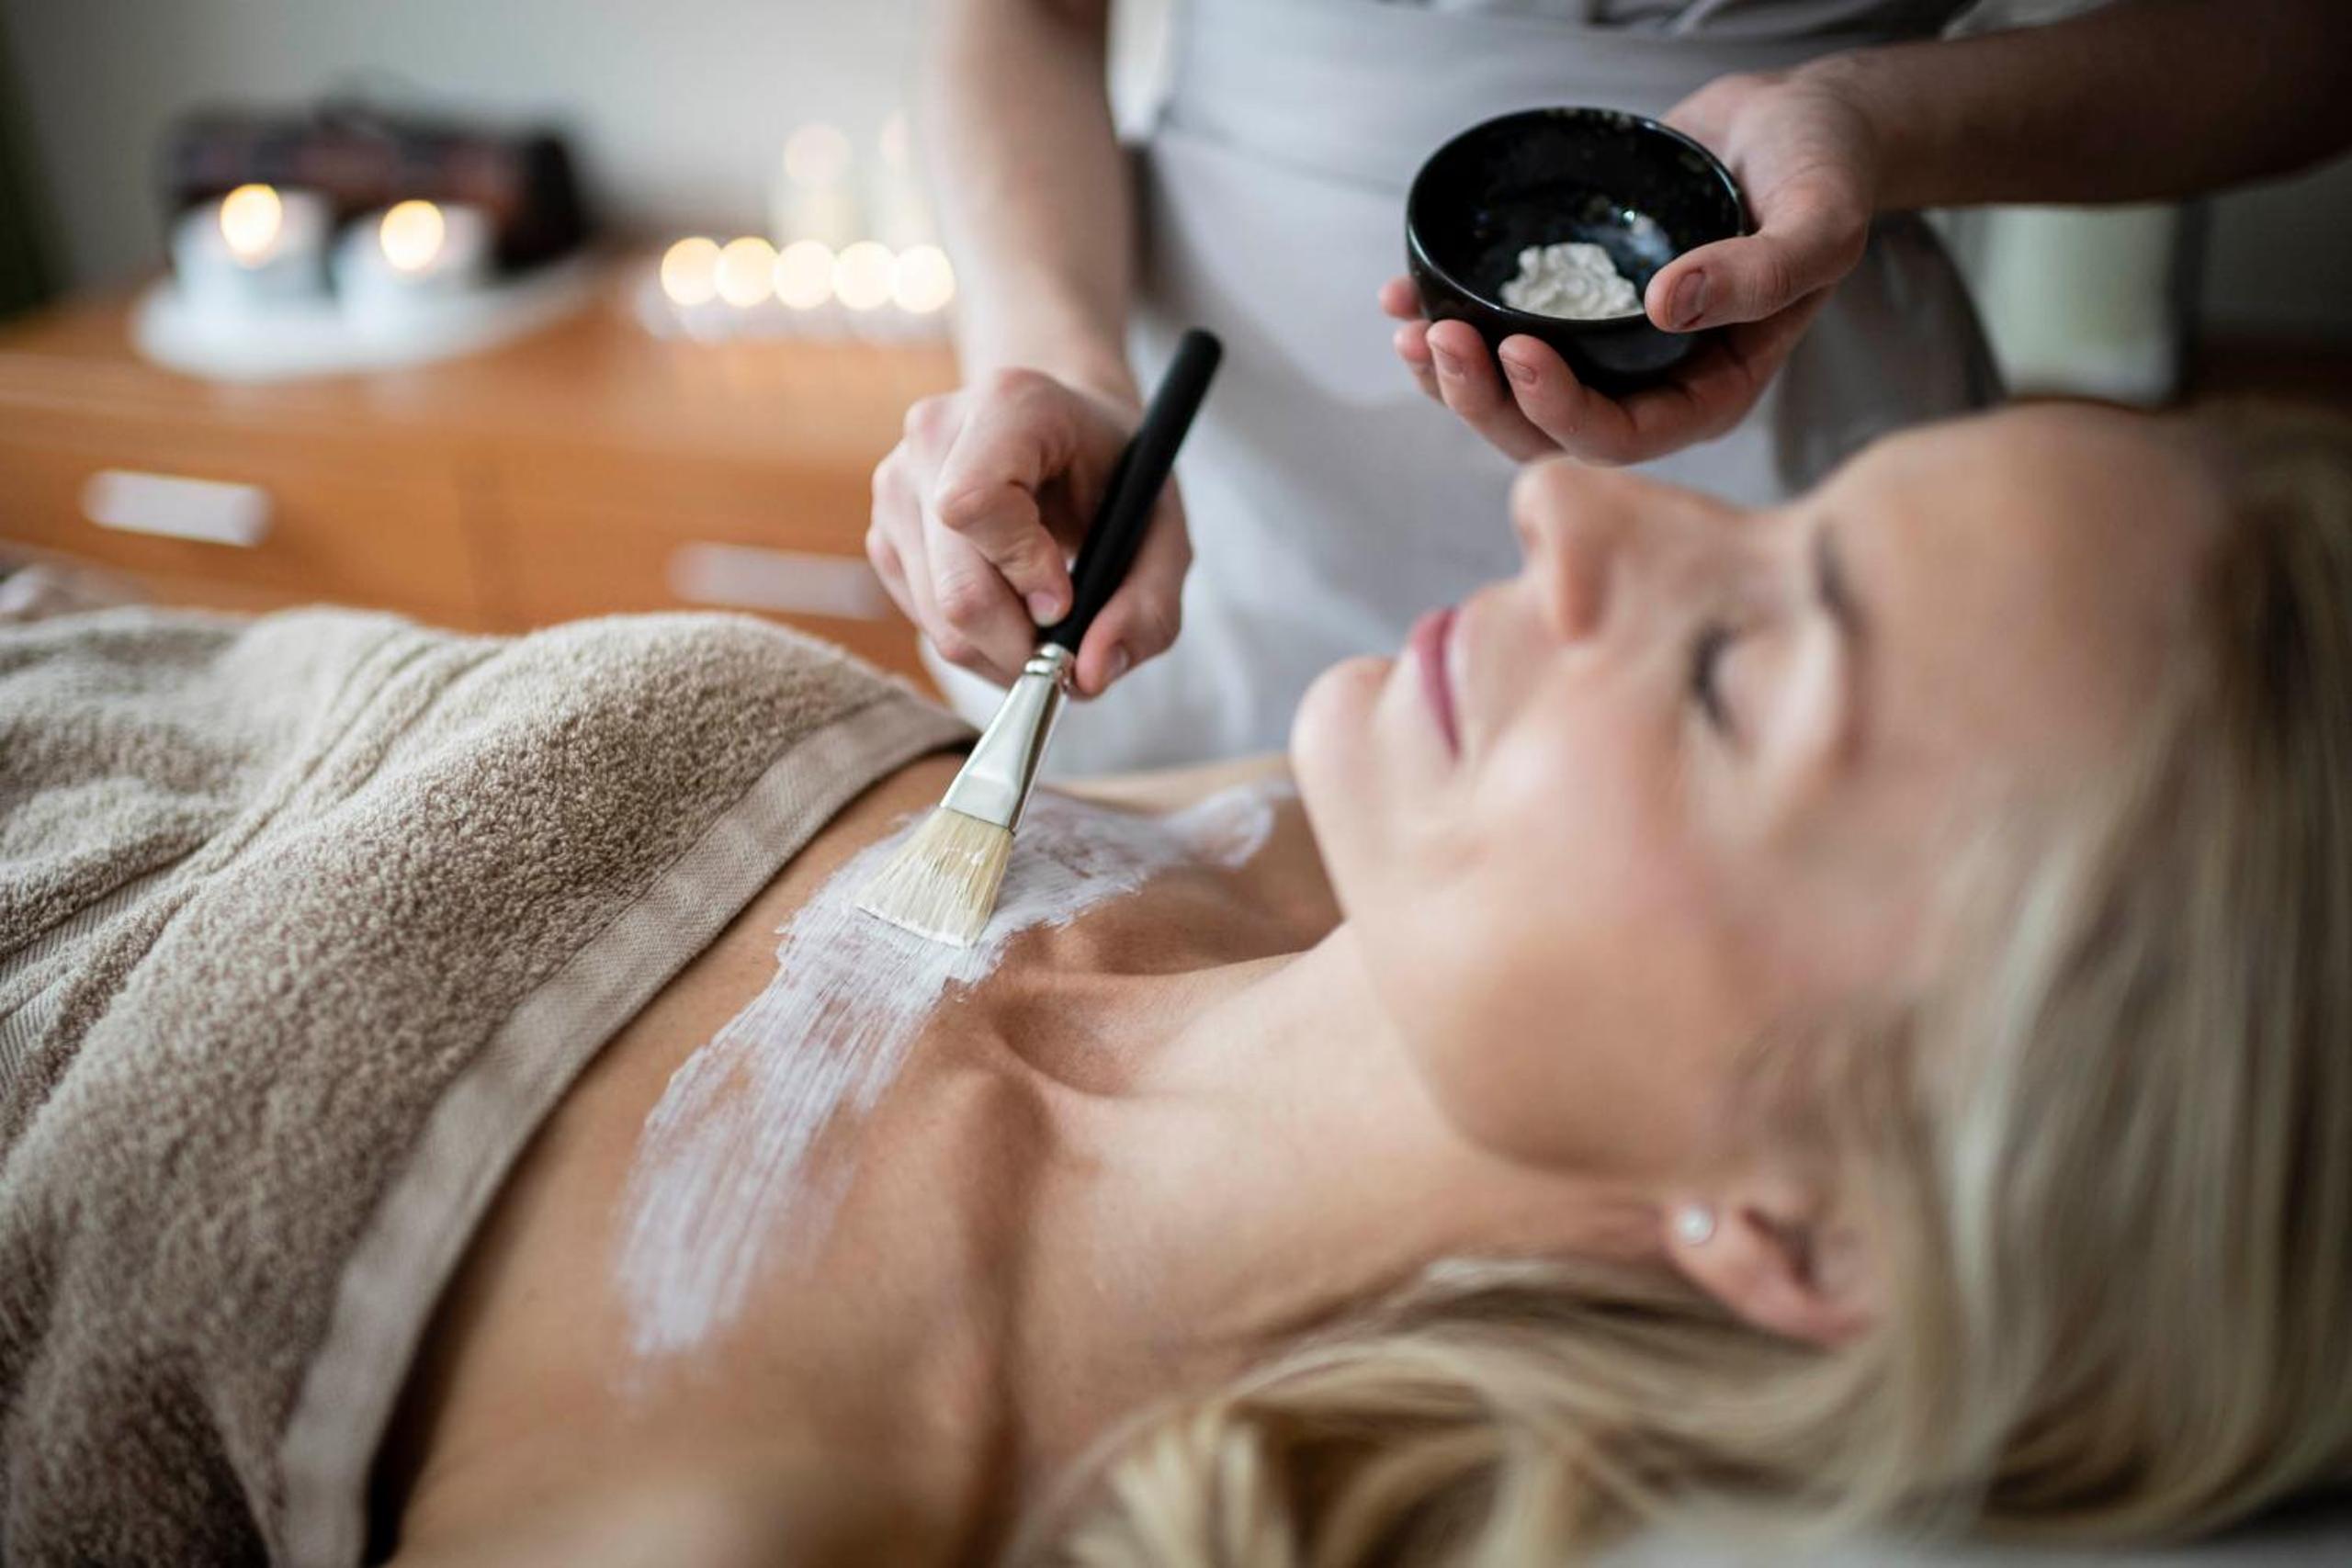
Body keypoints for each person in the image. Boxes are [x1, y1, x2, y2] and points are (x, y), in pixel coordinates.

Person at [6, 400, 2351, 1566]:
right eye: (1768, 515)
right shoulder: (1313, 849)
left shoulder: (745, 1495)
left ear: (1803, 1221)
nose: (1570, 507)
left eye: (1738, 668)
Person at [876, 0, 2352, 773]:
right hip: (1205, 422)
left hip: (1796, 375)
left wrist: (1873, 121)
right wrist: (1058, 360)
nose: (1559, 537)